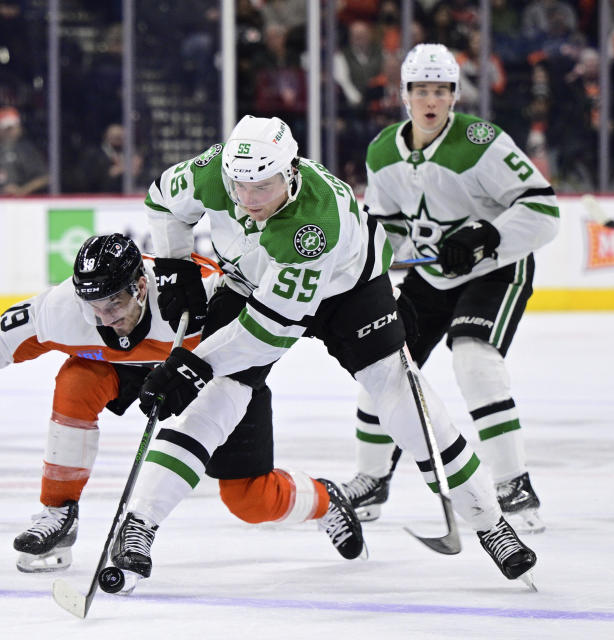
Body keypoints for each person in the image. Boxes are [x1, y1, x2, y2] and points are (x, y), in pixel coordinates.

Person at [106, 114, 537, 594]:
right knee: (218, 397)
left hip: (348, 291)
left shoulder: (313, 221)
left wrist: (196, 364)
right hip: (253, 282)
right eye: (239, 185)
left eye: (262, 187)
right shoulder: (215, 172)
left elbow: (269, 331)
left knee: (401, 398)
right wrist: (173, 261)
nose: (247, 201)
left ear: (290, 173)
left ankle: (489, 521)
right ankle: (139, 524)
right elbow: (162, 200)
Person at [0, 233, 221, 573]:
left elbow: (256, 334)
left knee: (250, 500)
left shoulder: (194, 293)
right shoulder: (61, 309)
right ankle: (59, 513)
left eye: (114, 302)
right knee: (76, 382)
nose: (105, 318)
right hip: (116, 368)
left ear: (140, 288)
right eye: (94, 306)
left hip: (205, 367)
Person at [339, 43, 560, 535]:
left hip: (496, 269)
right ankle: (372, 478)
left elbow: (545, 210)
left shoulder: (482, 141)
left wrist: (488, 235)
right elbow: (389, 230)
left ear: (455, 95)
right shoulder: (381, 152)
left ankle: (512, 484)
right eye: (421, 90)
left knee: (474, 359)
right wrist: (363, 258)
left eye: (441, 90)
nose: (431, 100)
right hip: (434, 276)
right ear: (405, 95)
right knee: (380, 363)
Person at [0, 106, 49, 196]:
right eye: (6, 128)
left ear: (19, 128)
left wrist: (22, 190)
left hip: (25, 203)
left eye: (12, 128)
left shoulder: (28, 150)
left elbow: (45, 177)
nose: (9, 132)